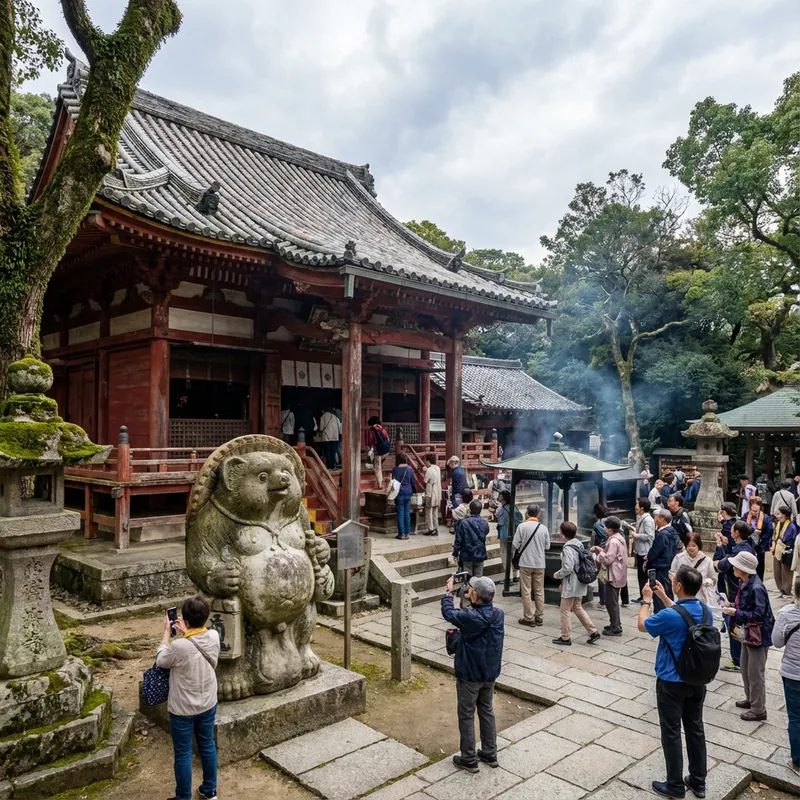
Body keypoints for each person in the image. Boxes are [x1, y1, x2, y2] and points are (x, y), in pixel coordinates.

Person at [638, 566, 708, 800]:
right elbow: (683, 615)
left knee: (671, 732)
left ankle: (675, 785)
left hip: (671, 681)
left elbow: (642, 625)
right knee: (695, 728)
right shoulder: (704, 610)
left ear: (678, 585)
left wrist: (646, 601)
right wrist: (663, 597)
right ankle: (698, 781)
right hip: (698, 680)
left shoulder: (669, 616)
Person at [155, 595, 220, 800]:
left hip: (183, 708)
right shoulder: (214, 636)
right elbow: (198, 643)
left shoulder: (180, 646)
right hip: (208, 702)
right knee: (207, 745)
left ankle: (183, 797)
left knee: (183, 753)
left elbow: (161, 660)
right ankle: (209, 790)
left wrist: (167, 632)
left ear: (186, 619)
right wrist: (187, 632)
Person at [441, 574, 504, 773]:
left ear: (475, 594)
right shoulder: (498, 614)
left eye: (471, 589)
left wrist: (448, 592)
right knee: (486, 710)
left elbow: (449, 613)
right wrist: (468, 596)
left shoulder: (471, 618)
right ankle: (489, 752)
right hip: (490, 673)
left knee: (466, 713)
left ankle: (468, 757)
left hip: (470, 673)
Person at [721, 551, 774, 721]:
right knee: (745, 668)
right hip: (748, 632)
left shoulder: (756, 587)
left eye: (736, 565)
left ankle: (759, 709)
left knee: (755, 672)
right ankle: (751, 699)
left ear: (743, 568)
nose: (733, 567)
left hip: (758, 634)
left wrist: (736, 612)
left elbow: (758, 614)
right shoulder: (745, 582)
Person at [715, 519, 756, 672]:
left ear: (737, 532)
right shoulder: (745, 546)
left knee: (734, 622)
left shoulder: (740, 550)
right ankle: (739, 657)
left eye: (732, 529)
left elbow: (723, 565)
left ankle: (738, 659)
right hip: (736, 589)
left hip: (733, 589)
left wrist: (720, 548)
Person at [553, 521, 601, 646]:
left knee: (565, 610)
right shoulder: (579, 544)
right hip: (581, 581)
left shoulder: (567, 548)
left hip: (570, 584)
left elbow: (568, 567)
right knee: (577, 607)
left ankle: (565, 637)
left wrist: (558, 574)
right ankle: (593, 631)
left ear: (563, 534)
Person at [772, 576, 800, 774]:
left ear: (795, 593)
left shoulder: (786, 615)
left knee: (796, 718)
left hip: (793, 673)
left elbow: (777, 642)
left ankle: (797, 761)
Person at [512, 503, 550, 627]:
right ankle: (539, 616)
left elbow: (515, 544)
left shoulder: (522, 527)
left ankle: (528, 617)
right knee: (539, 590)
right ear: (538, 514)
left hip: (525, 562)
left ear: (527, 513)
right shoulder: (543, 528)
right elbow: (547, 546)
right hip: (539, 563)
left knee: (526, 591)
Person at [592, 516, 628, 636]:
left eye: (606, 527)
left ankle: (616, 628)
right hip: (619, 573)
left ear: (610, 529)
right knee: (613, 601)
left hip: (613, 574)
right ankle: (614, 623)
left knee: (611, 602)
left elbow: (608, 559)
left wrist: (599, 553)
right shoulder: (620, 538)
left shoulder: (613, 541)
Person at [670, 532, 718, 608]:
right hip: (682, 593)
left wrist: (708, 582)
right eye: (689, 546)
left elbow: (713, 578)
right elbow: (672, 573)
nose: (691, 548)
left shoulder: (707, 560)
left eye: (694, 546)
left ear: (699, 546)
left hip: (700, 594)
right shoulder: (678, 558)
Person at [647, 508, 679, 612]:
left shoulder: (662, 535)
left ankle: (660, 616)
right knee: (667, 594)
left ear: (662, 519)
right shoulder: (673, 532)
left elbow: (653, 554)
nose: (656, 519)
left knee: (659, 595)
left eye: (657, 517)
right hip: (669, 567)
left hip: (660, 568)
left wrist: (649, 559)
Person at [453, 500, 489, 577]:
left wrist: (455, 553)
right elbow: (486, 532)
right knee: (478, 578)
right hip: (480, 553)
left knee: (467, 578)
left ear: (470, 509)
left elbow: (458, 540)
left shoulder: (463, 523)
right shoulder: (484, 523)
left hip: (467, 553)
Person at [632, 497, 655, 603]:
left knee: (644, 575)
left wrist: (637, 535)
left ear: (641, 507)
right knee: (640, 575)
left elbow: (650, 536)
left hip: (645, 551)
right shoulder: (640, 517)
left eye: (637, 504)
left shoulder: (648, 520)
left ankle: (646, 596)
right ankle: (642, 594)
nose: (635, 506)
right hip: (639, 550)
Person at [772, 505, 798, 597]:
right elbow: (775, 535)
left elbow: (789, 538)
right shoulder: (779, 524)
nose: (777, 516)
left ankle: (786, 590)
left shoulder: (791, 526)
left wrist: (780, 541)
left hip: (786, 551)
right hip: (778, 550)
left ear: (785, 515)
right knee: (777, 571)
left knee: (786, 571)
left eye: (779, 514)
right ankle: (781, 588)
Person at [495, 490, 521, 583]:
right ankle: (516, 575)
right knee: (514, 554)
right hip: (515, 533)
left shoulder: (501, 509)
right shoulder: (515, 508)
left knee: (505, 554)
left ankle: (508, 577)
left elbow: (499, 519)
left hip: (504, 533)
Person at [746, 495, 774, 581]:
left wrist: (761, 539)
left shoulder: (765, 518)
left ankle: (759, 582)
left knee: (759, 566)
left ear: (760, 508)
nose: (754, 512)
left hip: (760, 545)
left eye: (756, 510)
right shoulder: (746, 516)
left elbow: (769, 531)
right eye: (752, 510)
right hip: (748, 544)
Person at [391, 451, 417, 540]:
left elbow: (393, 482)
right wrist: (414, 491)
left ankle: (401, 534)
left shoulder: (395, 469)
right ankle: (407, 533)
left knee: (400, 513)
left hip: (399, 493)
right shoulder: (410, 469)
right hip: (408, 492)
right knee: (407, 513)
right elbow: (413, 482)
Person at [591, 504, 609, 609]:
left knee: (602, 576)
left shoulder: (597, 525)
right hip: (612, 550)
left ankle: (603, 601)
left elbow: (594, 539)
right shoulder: (610, 521)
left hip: (601, 550)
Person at [366, 416, 390, 490]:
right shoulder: (383, 429)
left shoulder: (372, 430)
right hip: (386, 451)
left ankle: (379, 484)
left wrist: (370, 449)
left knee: (377, 467)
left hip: (378, 451)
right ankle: (379, 477)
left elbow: (370, 442)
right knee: (379, 464)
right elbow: (388, 439)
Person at [423, 453, 442, 537]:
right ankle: (435, 528)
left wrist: (425, 471)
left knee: (428, 511)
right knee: (435, 511)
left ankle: (430, 528)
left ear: (428, 461)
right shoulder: (437, 468)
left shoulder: (429, 470)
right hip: (437, 490)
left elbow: (425, 480)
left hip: (430, 491)